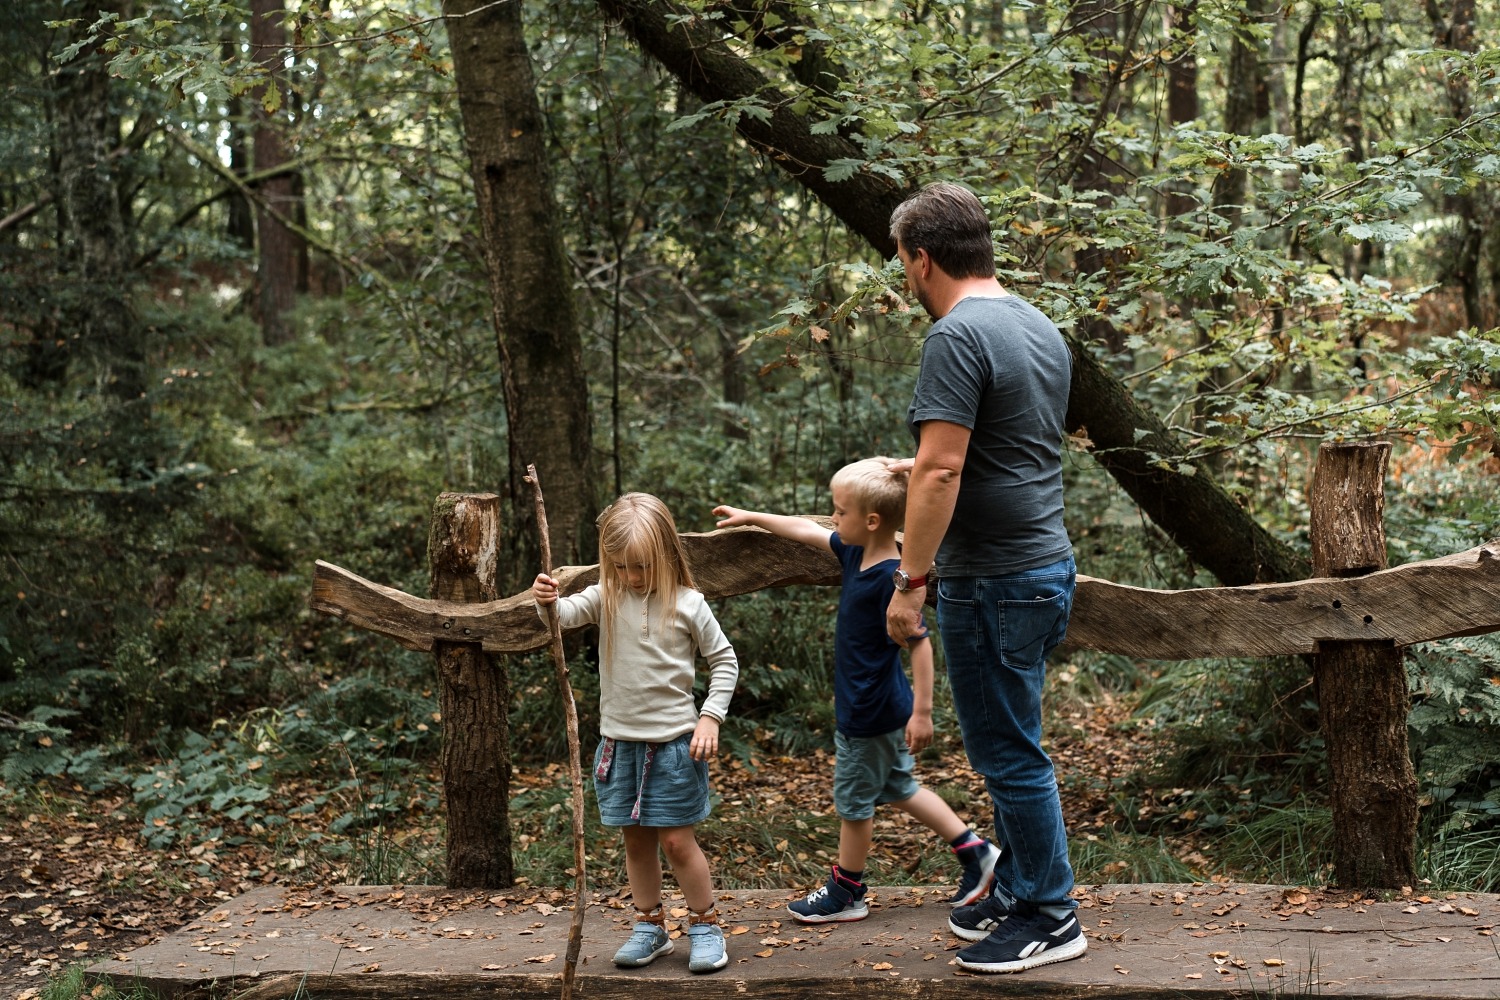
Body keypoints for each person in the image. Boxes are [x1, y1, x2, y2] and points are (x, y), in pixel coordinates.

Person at [882, 182, 1084, 974]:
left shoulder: (956, 335)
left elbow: (943, 471)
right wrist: (928, 465)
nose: (905, 275)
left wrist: (910, 580)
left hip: (994, 578)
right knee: (1007, 741)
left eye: (903, 261)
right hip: (1041, 564)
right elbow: (1010, 447)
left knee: (1007, 751)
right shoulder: (1035, 323)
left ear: (922, 257)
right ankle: (1020, 887)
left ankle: (1049, 912)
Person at [713, 458, 1000, 924]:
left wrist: (923, 713)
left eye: (839, 511)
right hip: (876, 705)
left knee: (853, 803)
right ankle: (979, 854)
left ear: (871, 521)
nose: (832, 518)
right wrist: (751, 516)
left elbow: (922, 645)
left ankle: (848, 890)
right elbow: (802, 529)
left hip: (869, 711)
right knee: (900, 786)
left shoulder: (890, 578)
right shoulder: (854, 551)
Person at [532, 492, 738, 975]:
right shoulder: (606, 596)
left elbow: (724, 661)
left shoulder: (689, 604)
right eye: (620, 566)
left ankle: (705, 924)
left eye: (641, 566)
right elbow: (561, 619)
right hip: (619, 745)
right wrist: (546, 602)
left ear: (666, 555)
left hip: (674, 747)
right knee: (635, 842)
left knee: (676, 842)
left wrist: (710, 716)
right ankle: (650, 925)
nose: (631, 577)